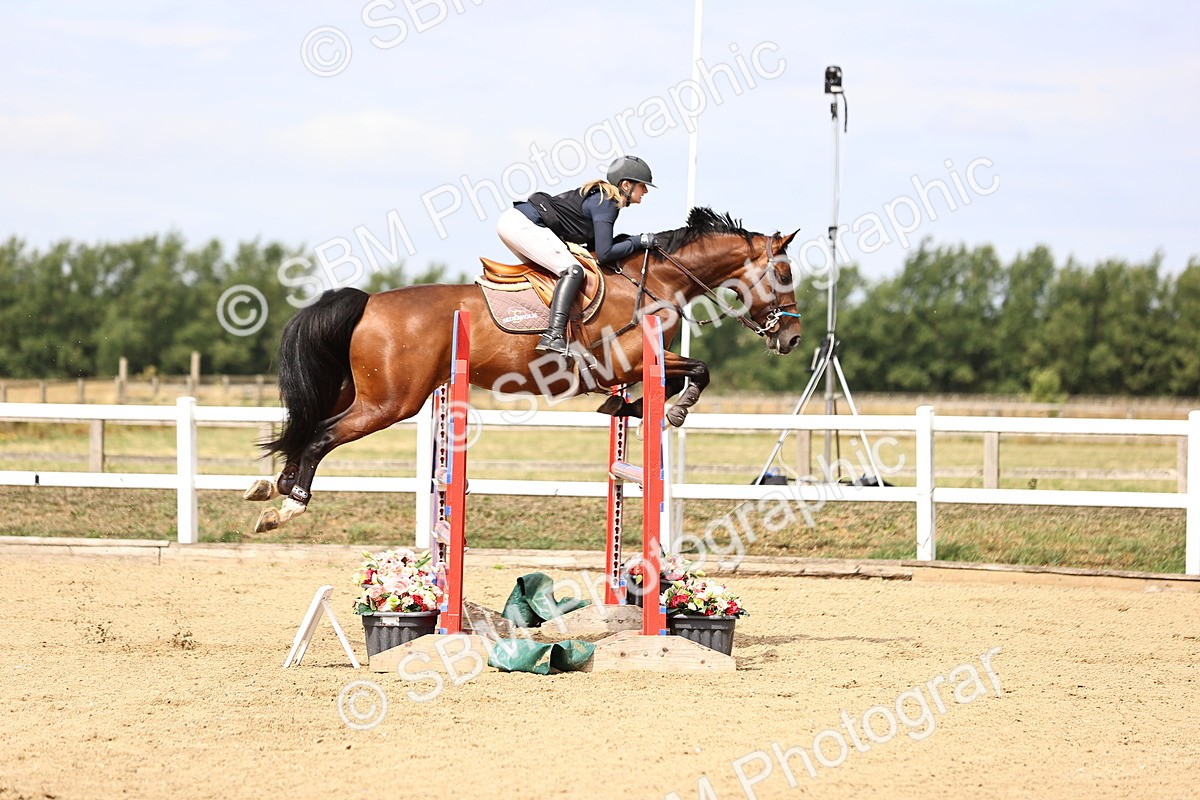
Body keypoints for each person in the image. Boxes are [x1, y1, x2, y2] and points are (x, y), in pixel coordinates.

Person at [497, 154, 658, 354]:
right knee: (573, 270)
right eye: (643, 186)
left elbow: (595, 251)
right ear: (626, 185)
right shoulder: (607, 202)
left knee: (557, 272)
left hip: (516, 223)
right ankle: (554, 334)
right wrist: (639, 241)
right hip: (523, 225)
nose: (646, 191)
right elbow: (605, 253)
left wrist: (630, 242)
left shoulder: (602, 199)